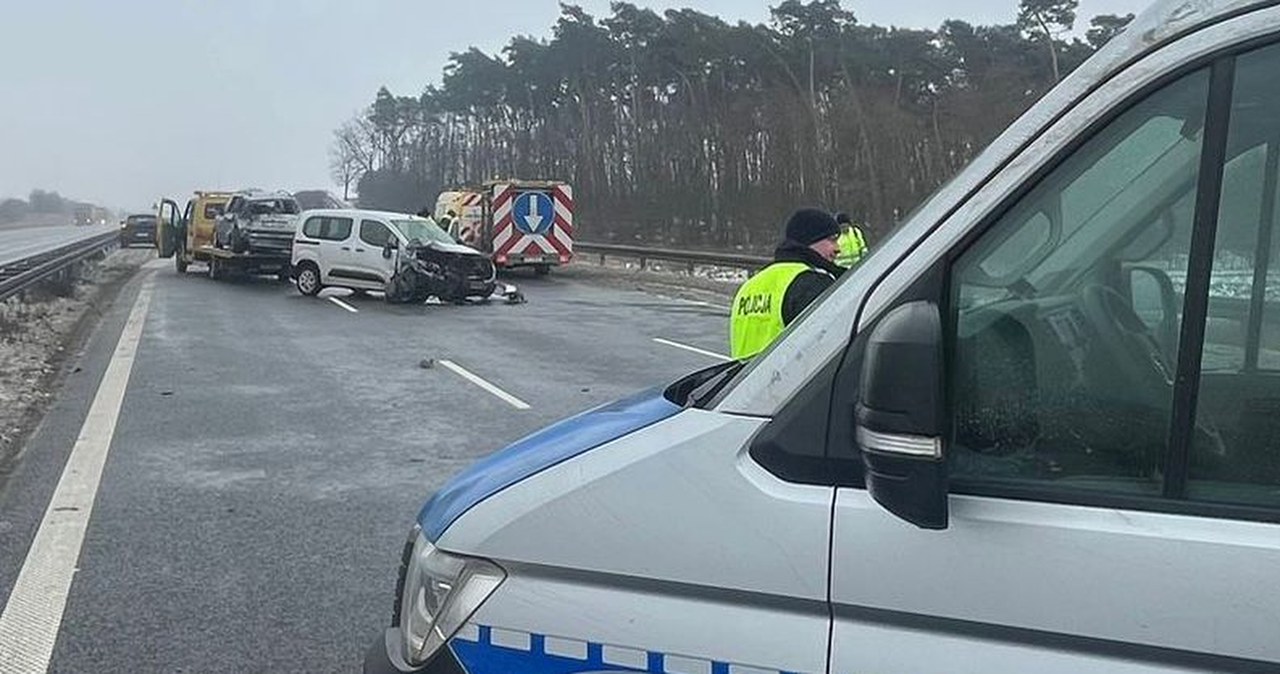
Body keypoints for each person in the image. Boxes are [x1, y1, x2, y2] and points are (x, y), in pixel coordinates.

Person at [730, 208, 845, 360]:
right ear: (810, 240)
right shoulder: (811, 283)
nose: (838, 249)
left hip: (747, 381)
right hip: (792, 381)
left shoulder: (750, 285)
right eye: (832, 240)